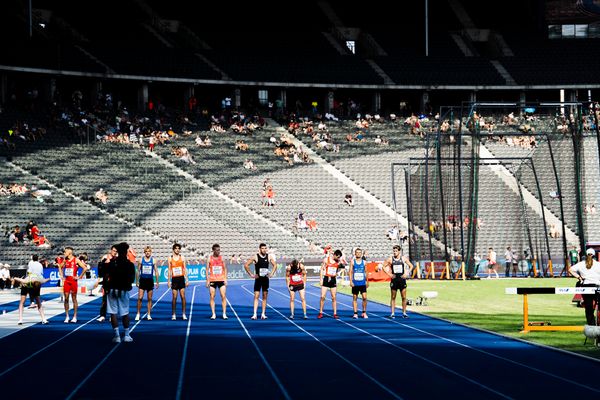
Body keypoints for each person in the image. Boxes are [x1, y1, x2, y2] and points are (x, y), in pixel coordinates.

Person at [105, 242, 136, 343]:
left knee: (113, 313)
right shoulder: (130, 264)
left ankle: (117, 336)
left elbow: (106, 275)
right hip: (123, 290)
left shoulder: (112, 263)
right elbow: (132, 279)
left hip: (112, 289)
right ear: (126, 252)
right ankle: (126, 335)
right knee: (125, 312)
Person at [244, 243, 277, 320]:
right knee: (256, 296)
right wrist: (251, 274)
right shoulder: (256, 256)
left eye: (265, 248)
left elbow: (275, 265)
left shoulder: (269, 256)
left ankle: (263, 314)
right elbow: (246, 265)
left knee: (265, 296)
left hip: (265, 279)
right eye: (263, 248)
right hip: (258, 279)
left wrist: (271, 273)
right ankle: (255, 314)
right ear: (259, 249)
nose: (264, 250)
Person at [569, 248, 600, 325]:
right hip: (597, 287)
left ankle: (591, 325)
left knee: (588, 308)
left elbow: (570, 270)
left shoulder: (581, 264)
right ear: (594, 255)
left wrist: (579, 277)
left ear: (586, 255)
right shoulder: (598, 264)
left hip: (586, 288)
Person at [383, 245, 414, 318]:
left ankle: (404, 313)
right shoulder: (390, 259)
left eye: (396, 251)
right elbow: (383, 266)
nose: (394, 252)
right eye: (393, 251)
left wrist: (407, 273)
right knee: (393, 297)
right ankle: (392, 313)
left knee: (403, 297)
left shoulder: (403, 258)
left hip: (402, 280)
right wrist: (389, 274)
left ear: (399, 251)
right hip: (394, 280)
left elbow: (411, 266)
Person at [58, 247, 87, 323]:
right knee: (66, 298)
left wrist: (79, 277)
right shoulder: (65, 260)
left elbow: (85, 268)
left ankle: (74, 316)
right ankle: (67, 316)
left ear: (69, 253)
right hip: (67, 281)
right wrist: (62, 276)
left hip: (73, 281)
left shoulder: (76, 260)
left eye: (65, 252)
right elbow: (60, 267)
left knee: (74, 299)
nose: (64, 253)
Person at [16, 255, 48, 325]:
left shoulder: (31, 263)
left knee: (22, 301)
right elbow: (42, 276)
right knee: (38, 300)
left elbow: (28, 273)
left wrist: (20, 279)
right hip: (35, 281)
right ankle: (43, 319)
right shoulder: (40, 265)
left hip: (30, 281)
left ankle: (20, 319)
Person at [318, 249, 343, 319]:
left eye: (339, 257)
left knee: (334, 297)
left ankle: (335, 313)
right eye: (337, 257)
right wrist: (320, 279)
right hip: (326, 279)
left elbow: (342, 267)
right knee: (322, 297)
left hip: (333, 280)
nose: (338, 258)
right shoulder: (326, 260)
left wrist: (338, 273)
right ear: (334, 255)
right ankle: (320, 312)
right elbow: (322, 269)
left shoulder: (338, 262)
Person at [135, 246, 159, 321]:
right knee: (140, 298)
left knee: (149, 298)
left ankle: (148, 314)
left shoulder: (154, 260)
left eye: (149, 251)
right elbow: (138, 271)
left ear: (151, 252)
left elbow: (156, 271)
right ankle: (138, 314)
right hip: (142, 280)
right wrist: (137, 281)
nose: (148, 252)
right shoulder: (141, 260)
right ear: (144, 252)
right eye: (146, 251)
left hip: (150, 281)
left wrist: (157, 282)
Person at [206, 244, 228, 320]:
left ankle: (224, 313)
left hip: (221, 279)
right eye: (217, 250)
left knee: (223, 296)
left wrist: (225, 279)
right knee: (212, 296)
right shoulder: (209, 258)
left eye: (219, 250)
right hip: (212, 280)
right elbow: (206, 270)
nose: (219, 251)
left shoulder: (222, 258)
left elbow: (225, 268)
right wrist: (207, 280)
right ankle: (213, 314)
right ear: (213, 250)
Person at [168, 243, 189, 320]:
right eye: (176, 248)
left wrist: (187, 280)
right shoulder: (170, 258)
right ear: (173, 249)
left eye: (178, 248)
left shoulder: (182, 257)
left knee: (183, 296)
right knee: (174, 297)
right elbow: (169, 270)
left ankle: (183, 314)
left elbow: (184, 269)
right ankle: (173, 314)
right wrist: (168, 281)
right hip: (174, 279)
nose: (177, 250)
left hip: (181, 278)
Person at [97, 246, 117, 322]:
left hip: (114, 281)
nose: (115, 252)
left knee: (113, 299)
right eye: (114, 250)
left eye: (116, 251)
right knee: (104, 299)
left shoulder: (117, 259)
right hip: (106, 281)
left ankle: (112, 315)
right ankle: (102, 315)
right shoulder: (105, 257)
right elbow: (100, 269)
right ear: (111, 250)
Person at [349, 248, 368, 319]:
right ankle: (355, 313)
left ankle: (364, 312)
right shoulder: (353, 262)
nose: (358, 254)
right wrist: (350, 281)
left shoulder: (364, 262)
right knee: (355, 298)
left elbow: (366, 272)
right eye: (357, 252)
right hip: (355, 283)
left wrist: (367, 281)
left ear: (361, 254)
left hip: (362, 283)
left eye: (360, 252)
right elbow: (350, 272)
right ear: (355, 253)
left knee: (365, 298)